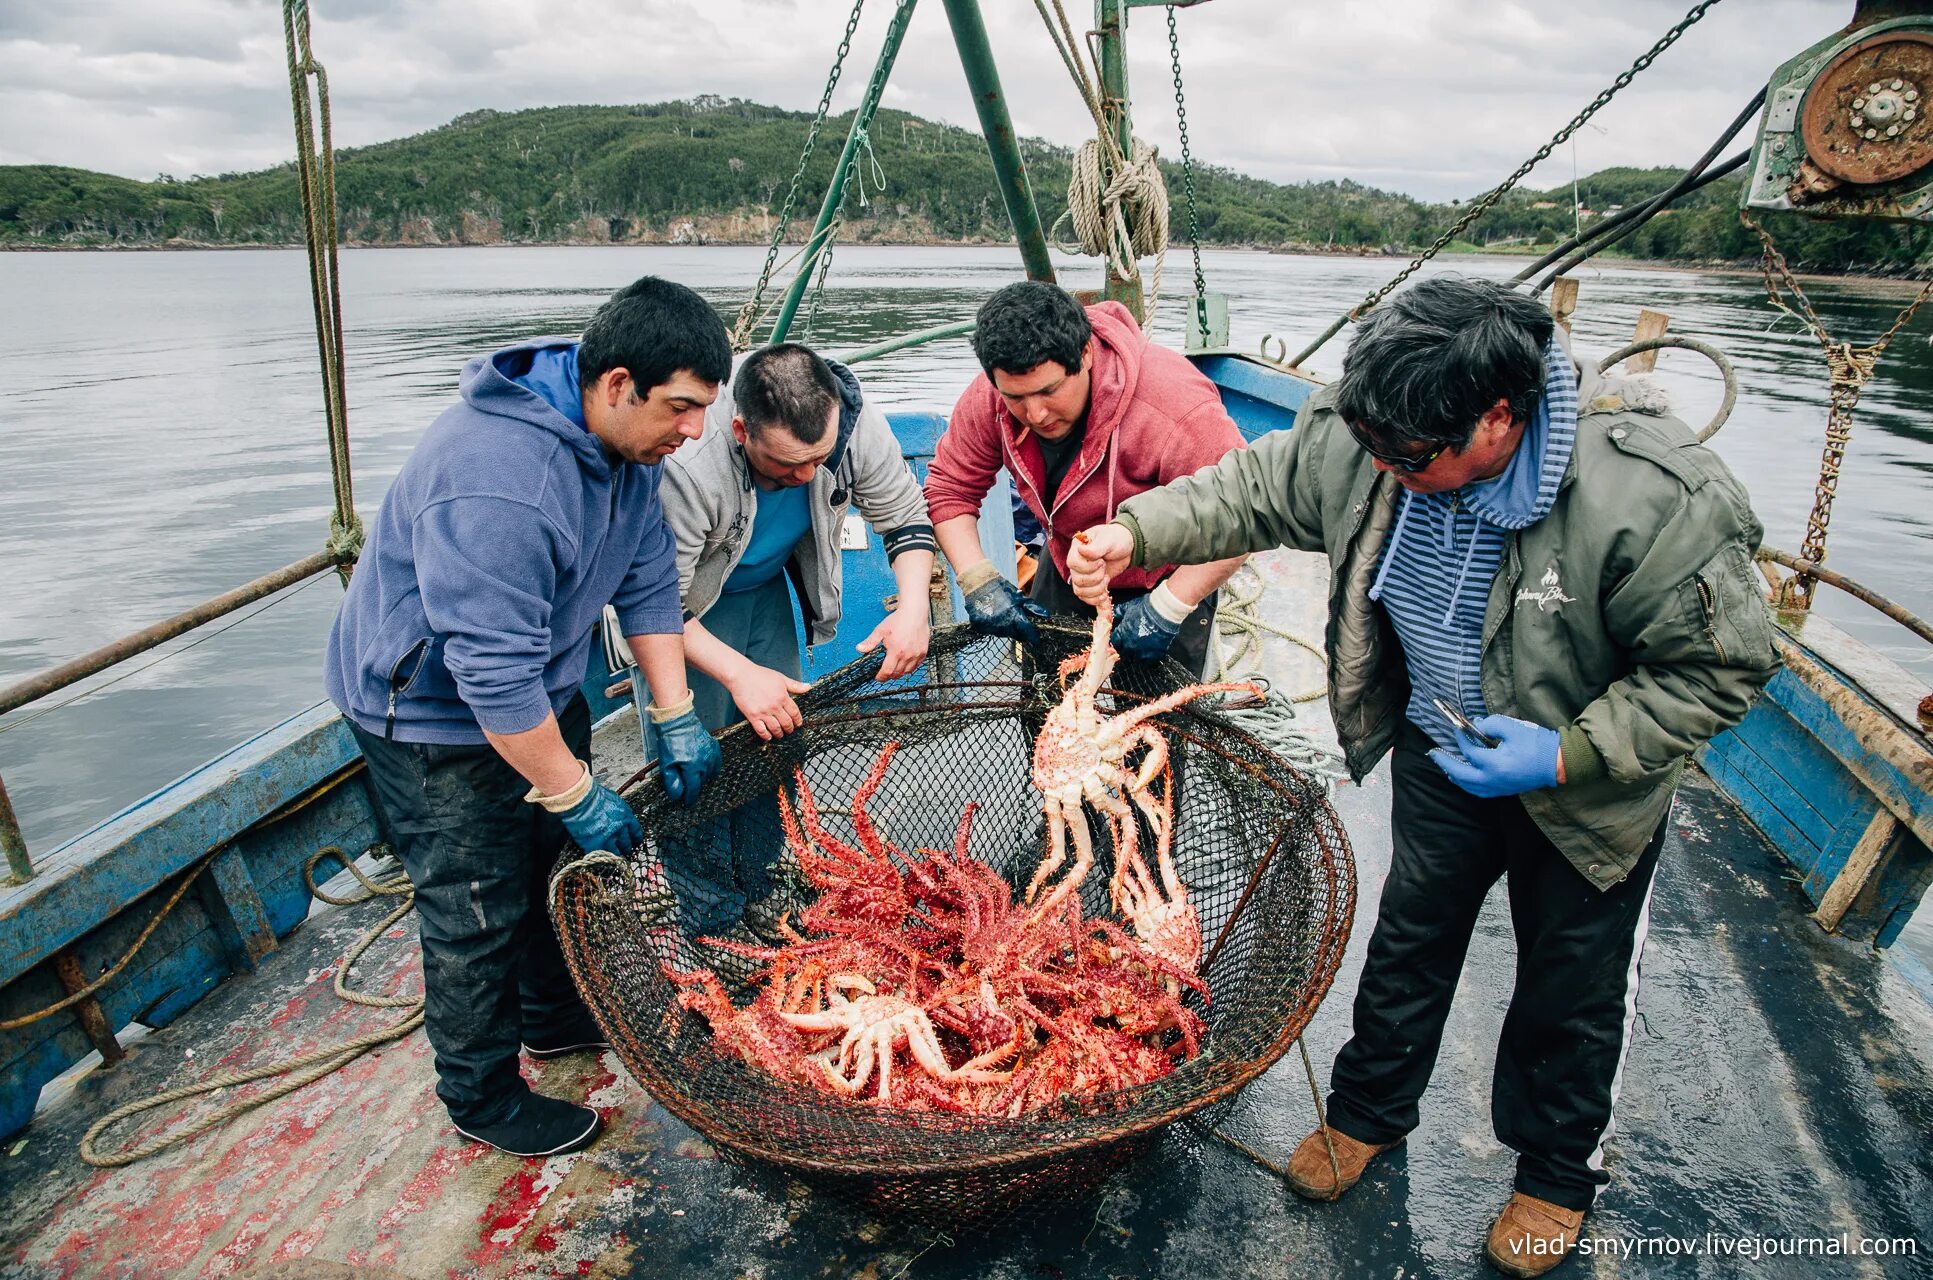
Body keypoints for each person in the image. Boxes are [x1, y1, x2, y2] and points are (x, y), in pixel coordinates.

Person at [1066, 276, 1779, 1277]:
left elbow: (1722, 665)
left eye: (1411, 458)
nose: (1386, 473)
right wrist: (1133, 531)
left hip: (1579, 782)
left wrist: (1569, 749)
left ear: (1498, 416)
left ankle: (1554, 1172)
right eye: (1375, 452)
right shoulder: (1375, 435)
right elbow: (1252, 487)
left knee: (1568, 983)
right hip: (1440, 749)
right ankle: (1365, 1113)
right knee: (1409, 935)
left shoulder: (1652, 496)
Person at [324, 276, 729, 1159]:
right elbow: (488, 676)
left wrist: (675, 709)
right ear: (617, 384)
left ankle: (552, 1018)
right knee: (477, 908)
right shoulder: (498, 480)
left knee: (553, 863)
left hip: (540, 687)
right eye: (681, 407)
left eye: (703, 409)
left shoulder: (624, 450)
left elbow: (648, 579)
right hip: (433, 713)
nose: (694, 431)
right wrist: (573, 789)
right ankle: (480, 1096)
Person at [658, 341, 936, 938]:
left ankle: (760, 890)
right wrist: (736, 674)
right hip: (684, 609)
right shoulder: (688, 461)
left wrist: (914, 607)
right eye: (788, 465)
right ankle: (710, 920)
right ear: (741, 429)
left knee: (774, 737)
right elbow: (650, 609)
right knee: (699, 758)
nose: (808, 475)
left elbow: (905, 515)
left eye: (820, 459)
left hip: (763, 591)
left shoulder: (850, 421)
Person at [922, 281, 1248, 676]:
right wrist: (977, 578)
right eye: (1016, 397)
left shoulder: (1174, 406)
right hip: (1067, 565)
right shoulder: (992, 396)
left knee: (1157, 721)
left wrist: (1169, 605)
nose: (1036, 413)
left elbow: (1243, 512)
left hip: (1169, 577)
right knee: (1047, 705)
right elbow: (950, 487)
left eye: (1049, 390)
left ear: (1086, 353)